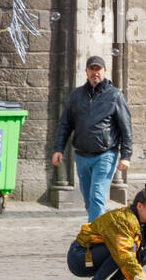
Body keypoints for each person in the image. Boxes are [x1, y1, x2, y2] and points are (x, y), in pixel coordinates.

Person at [52, 55, 133, 222]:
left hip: (105, 154)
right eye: (92, 69)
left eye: (98, 69)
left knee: (97, 196)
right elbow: (65, 124)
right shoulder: (76, 96)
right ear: (86, 71)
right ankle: (100, 229)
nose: (95, 72)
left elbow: (126, 128)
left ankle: (95, 238)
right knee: (89, 200)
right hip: (82, 156)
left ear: (104, 71)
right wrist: (58, 149)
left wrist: (126, 156)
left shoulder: (115, 95)